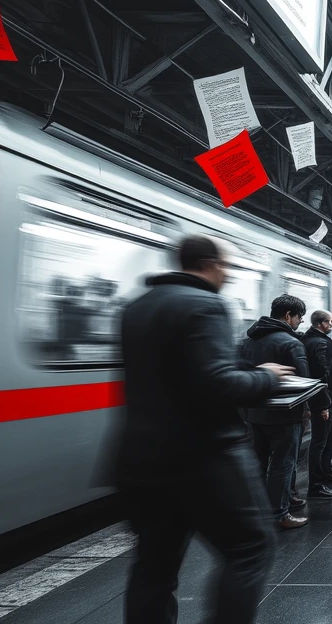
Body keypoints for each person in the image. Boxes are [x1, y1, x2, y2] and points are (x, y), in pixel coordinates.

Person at [117, 235, 294, 623]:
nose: (228, 276)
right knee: (251, 547)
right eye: (227, 267)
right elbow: (217, 384)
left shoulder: (137, 307)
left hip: (141, 457)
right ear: (210, 264)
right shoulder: (205, 305)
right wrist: (265, 378)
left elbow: (180, 374)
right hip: (203, 455)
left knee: (154, 565)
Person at [241, 294, 311, 530]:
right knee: (283, 463)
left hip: (253, 412)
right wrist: (310, 408)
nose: (300, 322)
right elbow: (303, 381)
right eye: (299, 317)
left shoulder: (248, 340)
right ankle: (280, 514)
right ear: (288, 315)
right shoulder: (291, 343)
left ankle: (257, 511)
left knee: (258, 462)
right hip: (285, 413)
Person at [302, 310, 332, 500]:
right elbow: (323, 374)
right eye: (330, 322)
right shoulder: (321, 343)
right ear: (321, 323)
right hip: (322, 400)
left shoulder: (308, 339)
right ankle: (316, 484)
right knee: (320, 442)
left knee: (326, 439)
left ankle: (325, 474)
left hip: (318, 398)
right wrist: (324, 404)